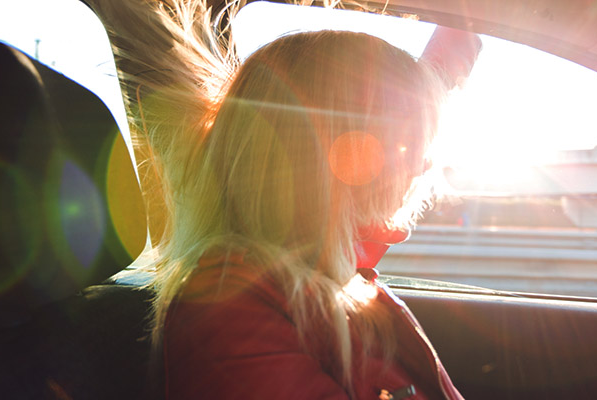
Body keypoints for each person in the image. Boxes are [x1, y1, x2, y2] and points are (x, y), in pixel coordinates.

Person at [86, 0, 481, 398]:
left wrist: (458, 40)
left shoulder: (332, 273)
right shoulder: (234, 313)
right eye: (407, 140)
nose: (424, 162)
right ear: (327, 154)